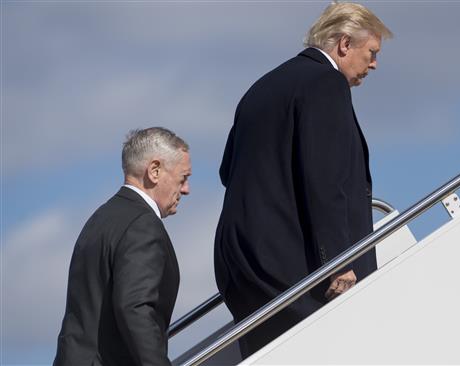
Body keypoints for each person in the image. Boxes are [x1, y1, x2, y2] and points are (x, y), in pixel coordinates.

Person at [214, 2, 392, 358]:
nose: (374, 64)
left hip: (241, 261)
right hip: (291, 263)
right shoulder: (326, 82)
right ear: (344, 44)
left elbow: (226, 171)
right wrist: (339, 260)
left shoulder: (264, 86)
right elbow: (325, 179)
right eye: (371, 52)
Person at [54, 127, 191, 366]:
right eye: (183, 178)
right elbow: (135, 307)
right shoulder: (143, 225)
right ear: (154, 171)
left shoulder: (99, 219)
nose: (186, 189)